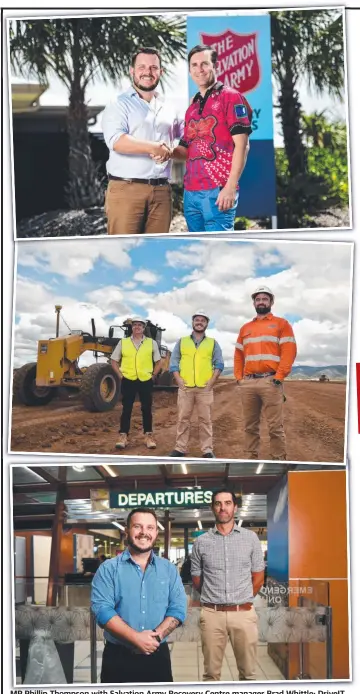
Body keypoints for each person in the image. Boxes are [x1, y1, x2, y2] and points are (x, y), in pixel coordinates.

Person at [91, 508, 187, 683]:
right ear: (126, 531)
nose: (144, 532)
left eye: (150, 527)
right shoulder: (108, 569)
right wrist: (136, 638)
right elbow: (103, 611)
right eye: (138, 526)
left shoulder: (169, 569)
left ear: (156, 532)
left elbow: (178, 609)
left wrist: (155, 638)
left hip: (158, 656)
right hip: (118, 658)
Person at [169, 45, 252, 232]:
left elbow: (243, 146)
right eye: (194, 65)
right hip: (190, 193)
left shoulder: (231, 97)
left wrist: (230, 187)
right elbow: (186, 150)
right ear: (189, 70)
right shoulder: (192, 105)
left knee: (218, 253)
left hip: (217, 191)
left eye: (204, 64)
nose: (199, 69)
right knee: (197, 252)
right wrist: (165, 151)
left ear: (216, 66)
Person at [102, 47, 181, 235]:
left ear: (161, 72)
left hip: (162, 192)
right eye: (142, 67)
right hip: (126, 190)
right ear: (132, 71)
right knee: (123, 252)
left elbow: (186, 140)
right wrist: (154, 147)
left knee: (156, 253)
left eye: (154, 67)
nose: (148, 72)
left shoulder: (169, 108)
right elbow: (116, 141)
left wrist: (169, 151)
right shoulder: (118, 104)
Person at [191, 489, 264, 681]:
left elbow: (258, 578)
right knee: (211, 675)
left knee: (248, 674)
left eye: (227, 503)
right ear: (212, 508)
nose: (223, 507)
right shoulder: (201, 542)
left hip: (244, 614)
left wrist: (243, 599)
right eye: (218, 503)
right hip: (212, 615)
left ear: (235, 507)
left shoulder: (250, 539)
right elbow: (197, 580)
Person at [234, 286, 297, 460]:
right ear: (254, 303)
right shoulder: (245, 328)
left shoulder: (281, 324)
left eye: (265, 299)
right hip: (248, 383)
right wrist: (239, 378)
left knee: (275, 427)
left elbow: (289, 351)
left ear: (271, 302)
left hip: (270, 381)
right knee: (249, 426)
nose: (261, 302)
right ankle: (250, 459)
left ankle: (278, 460)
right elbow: (238, 355)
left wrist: (279, 377)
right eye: (258, 299)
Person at [169, 310, 224, 458]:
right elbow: (174, 362)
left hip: (204, 389)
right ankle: (180, 448)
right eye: (197, 320)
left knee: (205, 420)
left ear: (206, 324)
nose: (199, 322)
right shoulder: (182, 341)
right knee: (183, 419)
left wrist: (211, 382)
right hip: (185, 388)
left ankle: (207, 450)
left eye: (203, 320)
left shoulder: (213, 343)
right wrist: (178, 380)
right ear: (192, 322)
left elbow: (219, 364)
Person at [111, 317, 162, 450]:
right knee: (126, 409)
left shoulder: (151, 343)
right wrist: (121, 376)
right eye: (134, 325)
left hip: (145, 380)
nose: (137, 327)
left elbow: (158, 362)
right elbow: (114, 361)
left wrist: (153, 375)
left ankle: (148, 435)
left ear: (144, 328)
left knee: (146, 409)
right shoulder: (123, 342)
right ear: (131, 327)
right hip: (128, 379)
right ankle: (123, 436)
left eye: (140, 325)